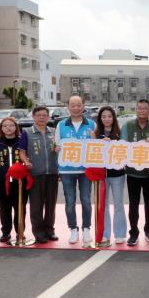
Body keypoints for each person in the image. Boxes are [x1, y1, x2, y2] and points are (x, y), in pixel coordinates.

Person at [56, 95, 95, 246]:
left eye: (79, 105)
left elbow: (97, 146)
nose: (76, 108)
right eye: (73, 105)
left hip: (86, 170)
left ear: (83, 106)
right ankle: (73, 229)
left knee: (86, 200)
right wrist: (57, 151)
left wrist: (95, 140)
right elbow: (56, 146)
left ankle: (86, 228)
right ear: (68, 107)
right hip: (66, 170)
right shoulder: (61, 125)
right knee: (70, 202)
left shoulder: (91, 124)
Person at [121, 99, 149, 246]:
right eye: (140, 108)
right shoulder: (127, 126)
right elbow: (122, 147)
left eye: (145, 108)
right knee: (133, 204)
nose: (142, 110)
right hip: (132, 173)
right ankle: (133, 233)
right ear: (136, 109)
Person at [19, 106, 59, 244]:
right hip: (35, 174)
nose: (41, 117)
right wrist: (26, 162)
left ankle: (50, 230)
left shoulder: (54, 132)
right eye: (38, 115)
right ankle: (38, 232)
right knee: (36, 205)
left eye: (44, 115)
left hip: (52, 172)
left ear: (48, 117)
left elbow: (60, 148)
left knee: (51, 204)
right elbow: (22, 151)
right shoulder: (27, 132)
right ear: (33, 117)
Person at [0, 117, 27, 243]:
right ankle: (5, 232)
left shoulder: (22, 141)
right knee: (4, 207)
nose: (8, 128)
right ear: (1, 128)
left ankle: (20, 231)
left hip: (20, 181)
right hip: (2, 180)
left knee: (20, 207)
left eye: (11, 125)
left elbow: (28, 156)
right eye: (5, 126)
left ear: (16, 127)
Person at [92, 106, 127, 247]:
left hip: (117, 174)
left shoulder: (120, 133)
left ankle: (119, 233)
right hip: (101, 174)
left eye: (109, 116)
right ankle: (105, 233)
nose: (107, 119)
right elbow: (91, 153)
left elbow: (126, 151)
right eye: (103, 116)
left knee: (118, 203)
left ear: (114, 118)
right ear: (100, 119)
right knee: (103, 204)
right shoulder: (95, 134)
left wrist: (113, 144)